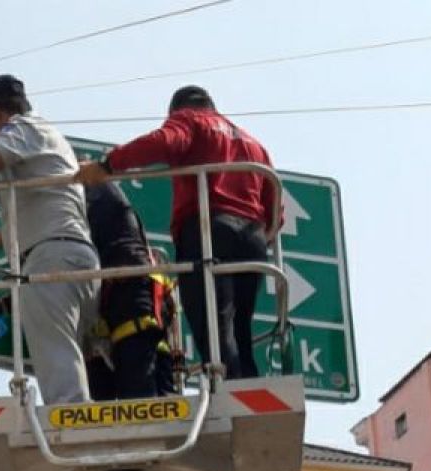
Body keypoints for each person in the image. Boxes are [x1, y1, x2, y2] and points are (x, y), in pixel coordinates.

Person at [77, 85, 280, 380]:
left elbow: (165, 141)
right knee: (240, 326)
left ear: (177, 110)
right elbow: (276, 210)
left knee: (213, 322)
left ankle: (227, 389)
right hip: (252, 237)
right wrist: (263, 234)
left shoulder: (190, 121)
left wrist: (108, 165)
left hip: (210, 229)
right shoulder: (253, 144)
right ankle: (246, 385)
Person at [0, 74, 99, 405]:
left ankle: (69, 423)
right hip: (72, 254)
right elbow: (38, 211)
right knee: (67, 351)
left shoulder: (26, 128)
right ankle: (77, 419)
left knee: (57, 355)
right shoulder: (44, 140)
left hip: (53, 260)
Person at [84, 181, 178, 400]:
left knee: (138, 399)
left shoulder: (98, 193)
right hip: (136, 302)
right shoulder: (108, 200)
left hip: (133, 298)